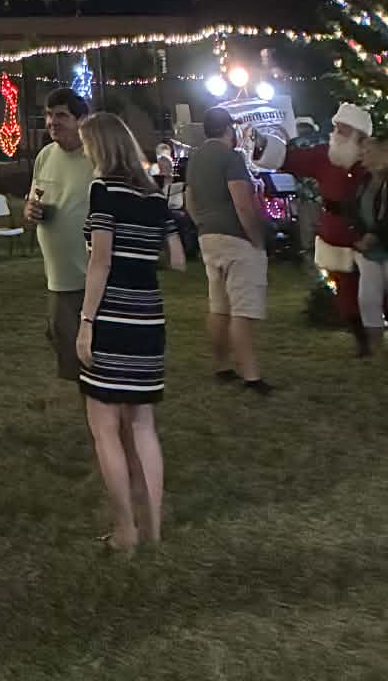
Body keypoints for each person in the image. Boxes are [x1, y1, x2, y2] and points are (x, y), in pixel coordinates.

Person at [76, 111, 185, 552]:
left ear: (100, 148)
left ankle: (125, 530)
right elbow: (177, 260)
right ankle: (153, 527)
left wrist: (86, 323)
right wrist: (142, 258)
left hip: (113, 316)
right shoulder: (156, 197)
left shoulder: (104, 192)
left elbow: (99, 262)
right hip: (149, 317)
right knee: (143, 424)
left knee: (104, 426)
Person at [256, 105, 376, 353]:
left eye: (342, 129)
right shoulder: (325, 155)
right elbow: (291, 159)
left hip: (369, 234)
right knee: (345, 292)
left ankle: (373, 332)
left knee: (375, 289)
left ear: (357, 133)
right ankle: (361, 340)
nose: (335, 133)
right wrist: (263, 145)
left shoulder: (372, 159)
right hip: (336, 234)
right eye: (336, 128)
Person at [183, 107, 272, 394]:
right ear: (228, 129)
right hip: (236, 238)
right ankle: (251, 375)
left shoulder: (195, 159)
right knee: (242, 309)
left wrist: (202, 225)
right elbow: (242, 202)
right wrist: (256, 237)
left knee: (218, 306)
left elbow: (189, 199)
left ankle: (222, 366)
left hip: (208, 235)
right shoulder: (231, 158)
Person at [22, 88, 95, 391]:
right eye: (49, 115)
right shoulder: (45, 156)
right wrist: (30, 209)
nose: (52, 122)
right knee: (69, 354)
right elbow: (33, 200)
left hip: (94, 276)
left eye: (61, 115)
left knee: (98, 359)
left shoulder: (97, 157)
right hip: (59, 279)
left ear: (81, 119)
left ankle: (108, 424)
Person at [355, 138, 388, 353]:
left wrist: (375, 235)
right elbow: (357, 208)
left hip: (381, 243)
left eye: (367, 152)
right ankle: (375, 345)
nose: (362, 157)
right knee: (367, 298)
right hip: (369, 249)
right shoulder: (366, 180)